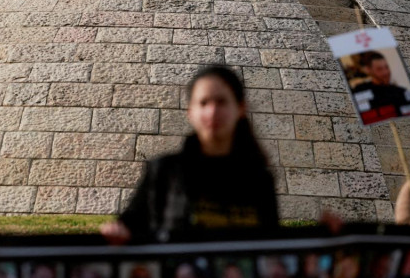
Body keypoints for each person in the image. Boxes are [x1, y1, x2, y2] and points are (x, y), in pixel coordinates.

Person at [100, 65, 278, 243]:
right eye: (203, 103)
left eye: (221, 101)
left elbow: (271, 246)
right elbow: (128, 228)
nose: (212, 112)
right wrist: (117, 236)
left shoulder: (259, 178)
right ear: (190, 112)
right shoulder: (163, 171)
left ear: (240, 108)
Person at [351, 51, 410, 122]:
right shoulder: (359, 91)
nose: (385, 72)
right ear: (369, 70)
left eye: (386, 67)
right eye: (379, 69)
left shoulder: (401, 91)